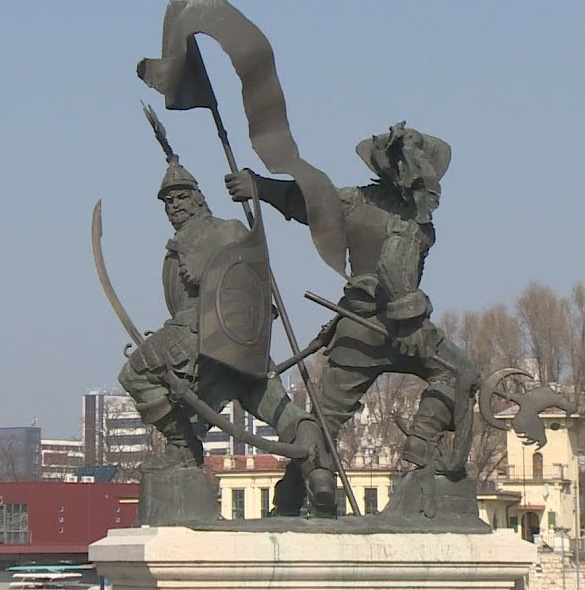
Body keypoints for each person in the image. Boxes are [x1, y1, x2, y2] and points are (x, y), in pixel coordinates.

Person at [226, 122, 481, 478]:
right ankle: (421, 440)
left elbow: (309, 202)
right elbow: (392, 268)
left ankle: (297, 491)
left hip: (356, 334)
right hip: (403, 331)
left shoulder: (352, 202)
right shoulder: (414, 219)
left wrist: (258, 186)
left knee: (324, 424)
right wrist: (410, 322)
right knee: (461, 373)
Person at [117, 156, 336, 516]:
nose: (174, 206)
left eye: (181, 197)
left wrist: (208, 272)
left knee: (135, 375)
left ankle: (183, 447)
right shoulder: (179, 244)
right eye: (168, 201)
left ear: (198, 198)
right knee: (279, 409)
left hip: (205, 334)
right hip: (232, 345)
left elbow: (247, 277)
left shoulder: (224, 230)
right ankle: (319, 467)